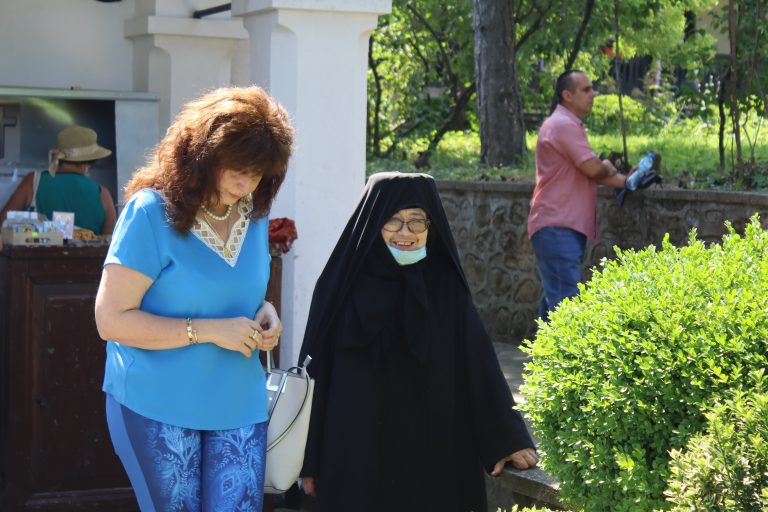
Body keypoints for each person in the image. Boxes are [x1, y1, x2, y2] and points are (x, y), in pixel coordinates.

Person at [93, 86, 293, 512]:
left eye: (258, 175)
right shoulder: (149, 212)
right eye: (238, 170)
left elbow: (241, 293)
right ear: (202, 153)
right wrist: (207, 332)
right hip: (156, 403)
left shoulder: (254, 214)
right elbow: (110, 321)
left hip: (239, 402)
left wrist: (265, 312)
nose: (246, 184)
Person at [298, 172, 538, 512]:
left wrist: (506, 439)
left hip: (432, 447)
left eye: (416, 221)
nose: (405, 233)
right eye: (393, 221)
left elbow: (478, 362)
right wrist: (310, 460)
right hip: (355, 447)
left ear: (432, 225)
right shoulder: (341, 286)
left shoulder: (445, 285)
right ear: (373, 223)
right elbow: (315, 376)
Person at [528, 70, 627, 322]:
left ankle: (544, 360)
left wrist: (626, 181)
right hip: (557, 226)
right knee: (565, 307)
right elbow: (594, 168)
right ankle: (562, 361)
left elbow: (591, 172)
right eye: (586, 89)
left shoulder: (566, 124)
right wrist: (610, 167)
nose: (593, 94)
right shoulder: (563, 125)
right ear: (567, 95)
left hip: (560, 226)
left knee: (554, 304)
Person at [0, 125, 117, 241]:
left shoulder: (33, 181)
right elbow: (111, 241)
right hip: (87, 259)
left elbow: (3, 224)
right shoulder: (102, 193)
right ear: (89, 162)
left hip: (36, 258)